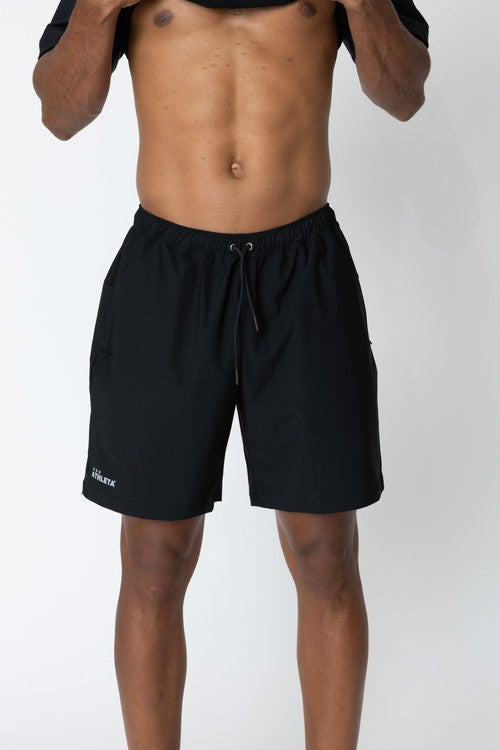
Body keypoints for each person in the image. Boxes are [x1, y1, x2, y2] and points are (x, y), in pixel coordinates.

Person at [33, 1, 430, 747]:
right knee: (154, 559)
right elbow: (60, 112)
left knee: (325, 553)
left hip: (302, 270)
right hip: (168, 273)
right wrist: (98, 10)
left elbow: (405, 93)